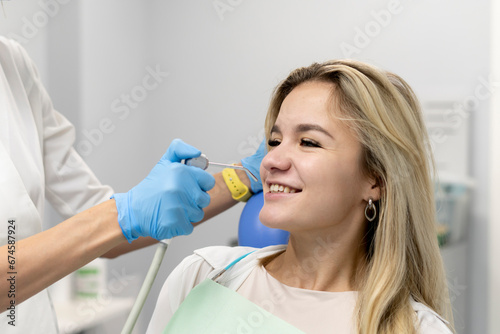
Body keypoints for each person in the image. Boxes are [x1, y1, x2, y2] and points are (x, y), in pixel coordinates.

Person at [147, 60, 454, 334]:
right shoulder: (204, 275)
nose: (270, 161)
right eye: (275, 140)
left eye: (308, 142)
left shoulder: (416, 328)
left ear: (375, 179)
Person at [0, 36, 265, 333]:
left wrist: (242, 178)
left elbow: (98, 223)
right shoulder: (195, 275)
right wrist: (124, 215)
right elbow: (109, 223)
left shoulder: (11, 63)